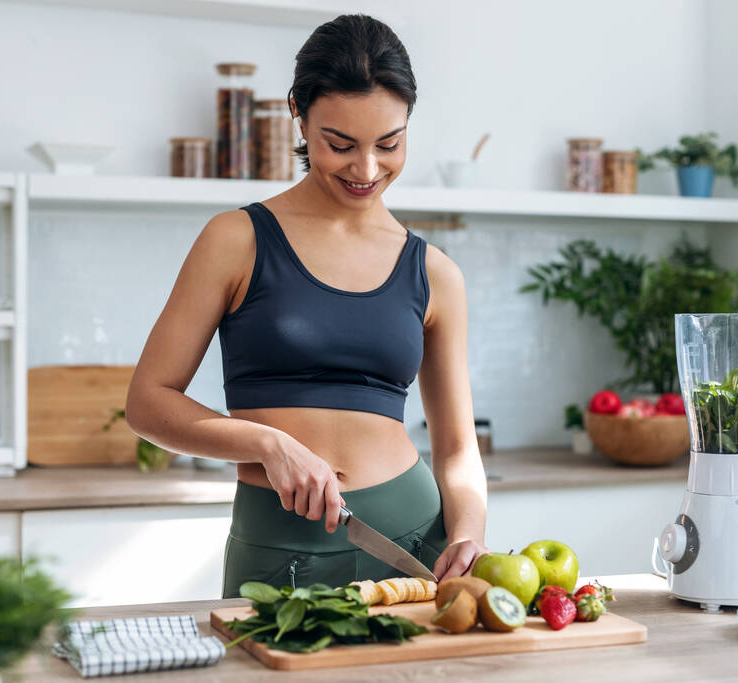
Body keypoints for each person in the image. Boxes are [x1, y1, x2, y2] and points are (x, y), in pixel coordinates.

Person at [126, 14, 488, 598]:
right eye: (339, 144)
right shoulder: (236, 240)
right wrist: (266, 443)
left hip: (415, 544)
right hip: (277, 547)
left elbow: (456, 448)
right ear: (298, 112)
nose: (366, 169)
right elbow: (147, 403)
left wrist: (468, 531)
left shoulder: (436, 274)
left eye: (389, 144)